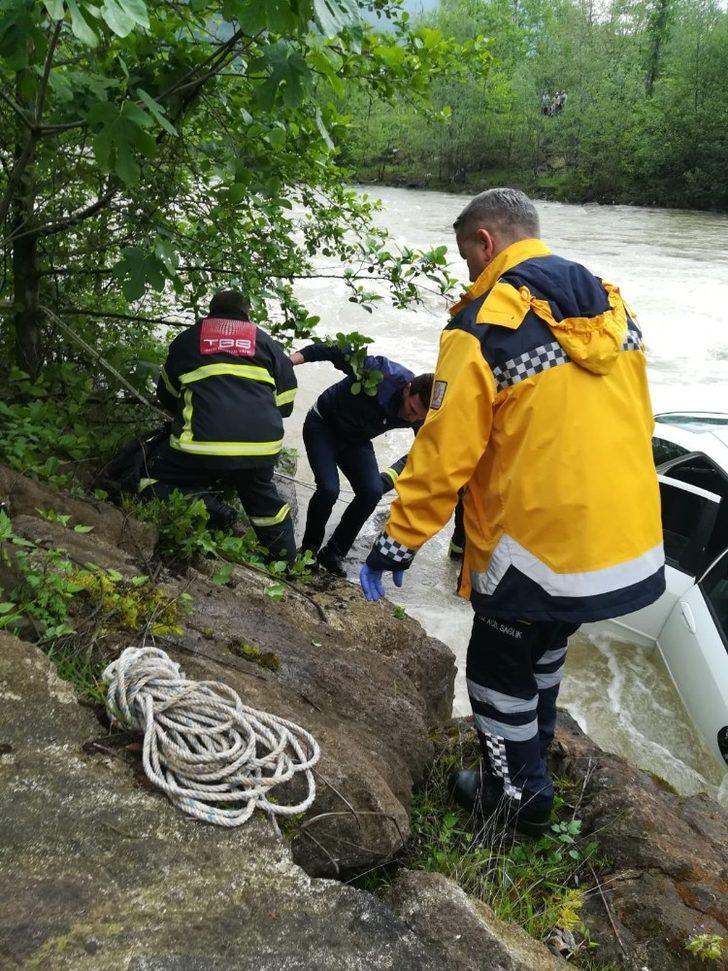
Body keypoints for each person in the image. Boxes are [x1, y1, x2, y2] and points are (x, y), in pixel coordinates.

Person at [360, 188, 664, 836]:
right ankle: (536, 756)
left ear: (485, 243)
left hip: (532, 546)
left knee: (496, 672)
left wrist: (396, 542)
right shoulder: (616, 310)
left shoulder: (482, 326)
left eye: (466, 256)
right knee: (545, 649)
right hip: (618, 542)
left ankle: (514, 799)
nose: (467, 272)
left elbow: (444, 453)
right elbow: (640, 421)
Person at [148, 290, 298, 562]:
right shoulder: (266, 342)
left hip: (199, 448)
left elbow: (167, 395)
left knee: (152, 476)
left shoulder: (188, 340)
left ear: (211, 312)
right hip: (260, 449)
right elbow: (286, 404)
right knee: (264, 503)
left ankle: (212, 508)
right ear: (246, 315)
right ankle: (287, 565)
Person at [289, 342, 433, 576]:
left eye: (419, 416)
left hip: (355, 440)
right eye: (411, 408)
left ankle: (333, 553)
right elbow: (333, 350)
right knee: (328, 489)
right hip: (323, 425)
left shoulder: (422, 416)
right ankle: (308, 552)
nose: (412, 416)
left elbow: (426, 450)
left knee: (371, 491)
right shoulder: (378, 373)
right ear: (407, 389)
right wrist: (291, 361)